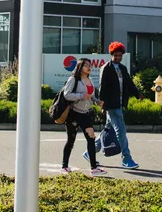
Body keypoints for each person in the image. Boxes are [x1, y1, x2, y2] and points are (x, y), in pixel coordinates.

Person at [93, 41, 141, 169]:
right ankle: (126, 158)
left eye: (120, 55)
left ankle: (90, 152)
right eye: (116, 55)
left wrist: (138, 94)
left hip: (119, 104)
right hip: (112, 105)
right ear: (111, 54)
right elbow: (102, 88)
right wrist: (102, 105)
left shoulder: (122, 68)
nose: (118, 58)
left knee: (108, 129)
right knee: (121, 132)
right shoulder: (106, 68)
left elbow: (129, 84)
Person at [60, 58, 105, 176]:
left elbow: (90, 96)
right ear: (80, 67)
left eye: (90, 65)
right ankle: (64, 166)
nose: (89, 67)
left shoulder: (90, 80)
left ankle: (94, 168)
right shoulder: (73, 79)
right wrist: (81, 96)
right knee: (71, 140)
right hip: (74, 113)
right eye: (86, 65)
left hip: (85, 113)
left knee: (91, 137)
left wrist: (97, 101)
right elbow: (67, 94)